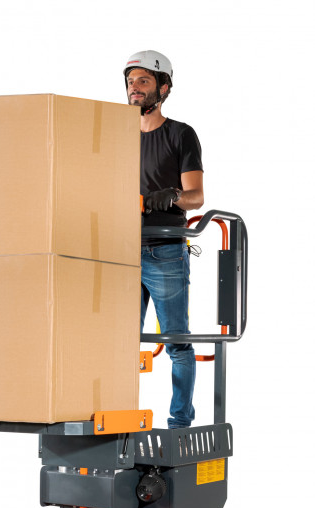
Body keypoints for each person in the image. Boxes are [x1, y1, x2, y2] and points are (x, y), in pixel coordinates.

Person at [124, 50, 204, 429]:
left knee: (176, 343)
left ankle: (179, 426)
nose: (134, 88)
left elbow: (196, 197)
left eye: (143, 81)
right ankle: (119, 423)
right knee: (119, 344)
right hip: (121, 252)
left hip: (165, 252)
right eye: (130, 82)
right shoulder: (118, 136)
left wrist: (171, 196)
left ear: (164, 87)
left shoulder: (180, 135)